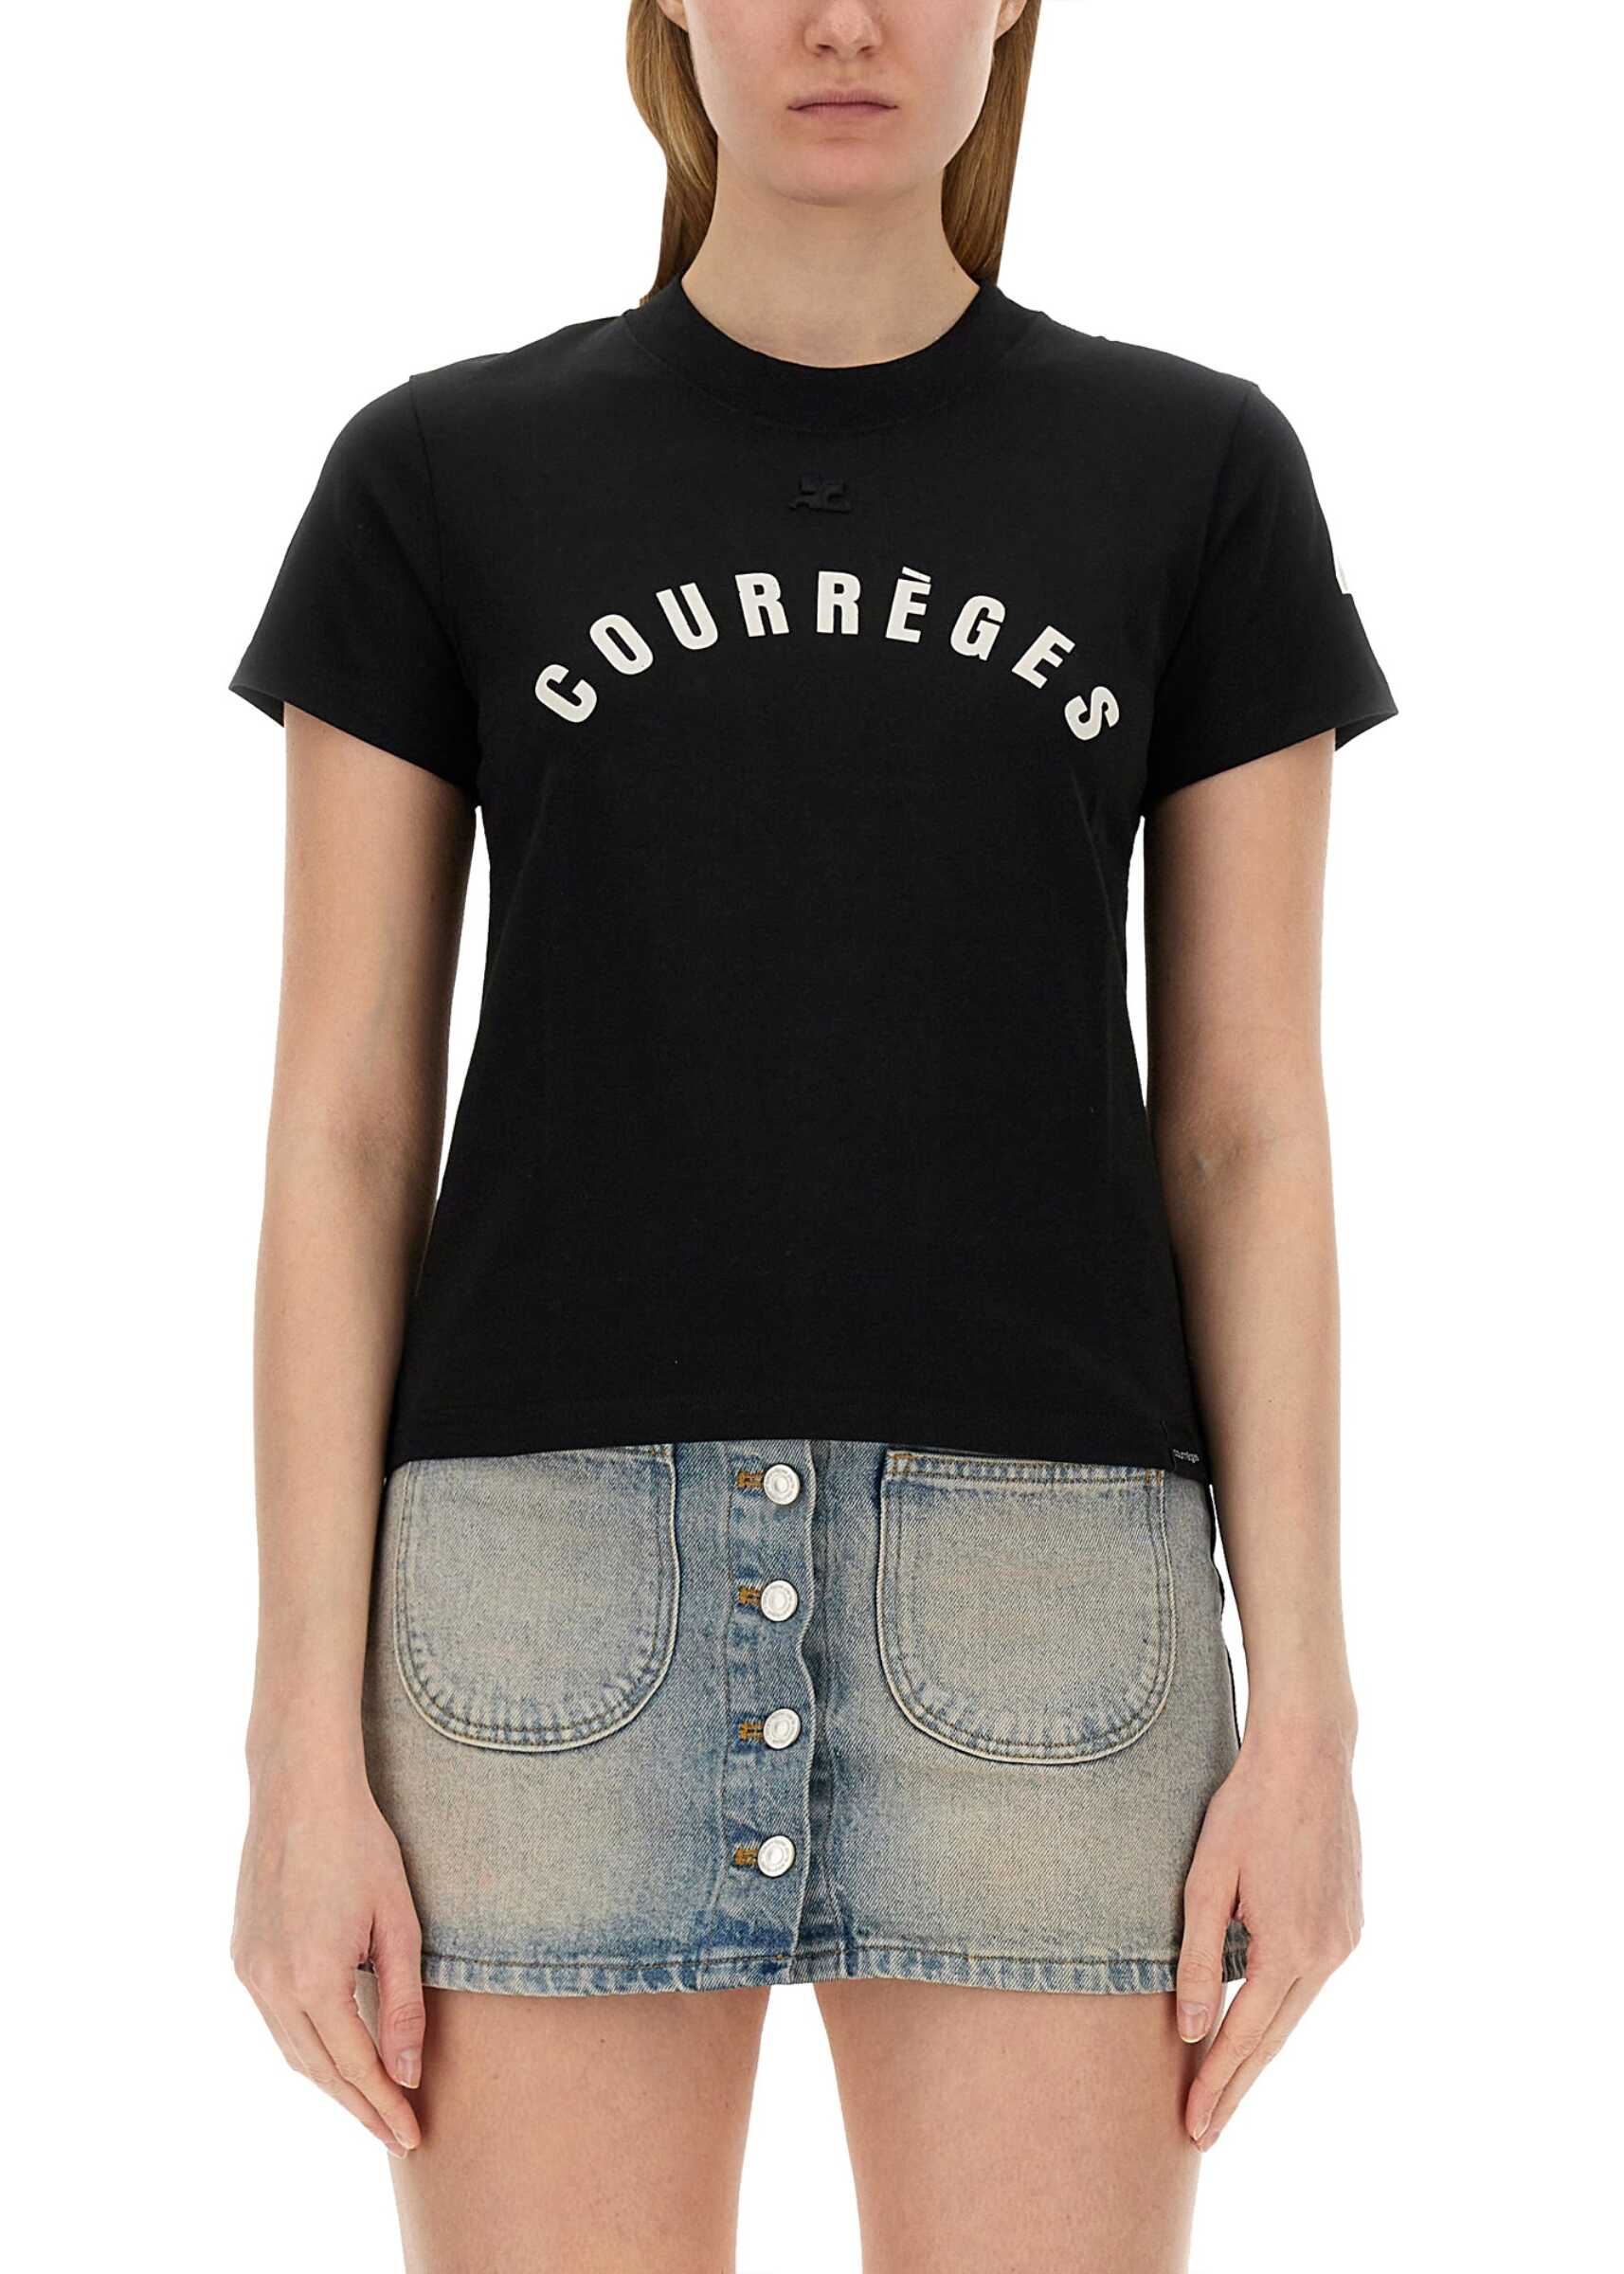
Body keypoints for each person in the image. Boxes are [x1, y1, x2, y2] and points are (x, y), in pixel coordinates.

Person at [226, 2, 1397, 2265]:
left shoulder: (1192, 469)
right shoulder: (439, 472)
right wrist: (297, 1744)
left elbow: (1247, 1132)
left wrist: (1309, 1724)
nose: (839, 20)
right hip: (534, 1599)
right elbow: (345, 1125)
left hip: (1052, 1600)